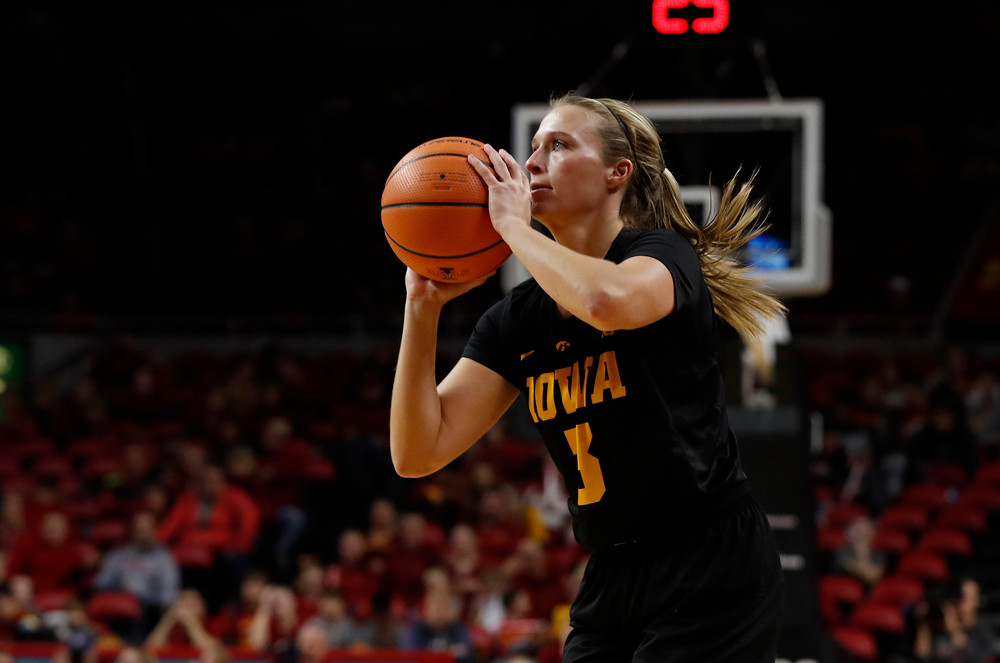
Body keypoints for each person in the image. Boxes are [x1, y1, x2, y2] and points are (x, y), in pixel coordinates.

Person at [389, 93, 786, 662]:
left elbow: (604, 301)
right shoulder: (515, 321)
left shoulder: (661, 256)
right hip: (612, 573)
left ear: (616, 173)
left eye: (558, 145)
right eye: (533, 149)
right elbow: (417, 452)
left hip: (709, 560)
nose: (532, 164)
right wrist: (421, 309)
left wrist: (511, 226)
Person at [93, 511, 181, 640]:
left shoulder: (164, 559)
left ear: (155, 531)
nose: (143, 534)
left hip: (150, 613)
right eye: (140, 529)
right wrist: (123, 588)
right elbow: (100, 583)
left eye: (147, 529)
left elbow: (169, 595)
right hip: (119, 611)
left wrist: (141, 595)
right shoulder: (118, 556)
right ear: (133, 532)